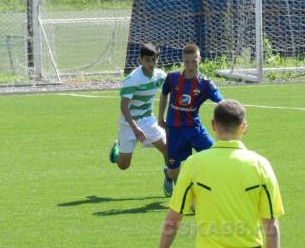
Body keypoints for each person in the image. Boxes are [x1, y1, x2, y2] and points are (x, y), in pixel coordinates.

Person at [159, 99, 284, 248]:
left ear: (213, 125)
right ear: (244, 127)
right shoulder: (261, 165)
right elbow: (271, 225)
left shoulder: (194, 164)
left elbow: (172, 222)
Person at [158, 44, 223, 196]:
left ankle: (200, 192)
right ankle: (168, 174)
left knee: (216, 156)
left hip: (195, 129)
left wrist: (228, 118)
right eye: (187, 62)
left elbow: (222, 102)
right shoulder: (172, 78)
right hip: (174, 131)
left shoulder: (205, 83)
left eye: (194, 61)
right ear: (182, 61)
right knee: (174, 171)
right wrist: (161, 117)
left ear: (199, 59)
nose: (191, 65)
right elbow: (163, 94)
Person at [109, 43, 172, 195]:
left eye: (153, 60)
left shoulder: (160, 76)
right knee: (124, 165)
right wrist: (135, 128)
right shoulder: (132, 79)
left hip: (148, 120)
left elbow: (169, 91)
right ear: (140, 60)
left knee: (168, 149)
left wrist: (163, 118)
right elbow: (124, 107)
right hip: (129, 123)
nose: (150, 64)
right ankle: (116, 152)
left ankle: (169, 177)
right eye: (147, 60)